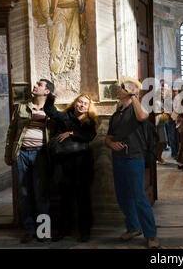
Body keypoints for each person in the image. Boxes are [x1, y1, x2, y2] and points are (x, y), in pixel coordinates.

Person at [105, 76, 160, 249]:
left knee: (138, 197)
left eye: (122, 88)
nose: (118, 90)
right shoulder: (117, 113)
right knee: (122, 197)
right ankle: (133, 227)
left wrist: (135, 95)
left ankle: (151, 235)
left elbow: (143, 116)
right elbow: (108, 137)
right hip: (118, 158)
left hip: (134, 158)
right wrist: (111, 144)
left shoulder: (136, 110)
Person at [4, 79, 55, 243]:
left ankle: (43, 231)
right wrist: (8, 153)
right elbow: (11, 132)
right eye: (36, 84)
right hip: (22, 154)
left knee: (42, 195)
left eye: (39, 85)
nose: (35, 86)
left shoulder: (51, 111)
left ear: (46, 91)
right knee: (24, 194)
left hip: (41, 155)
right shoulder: (21, 107)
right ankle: (29, 230)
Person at [44, 94, 98, 243]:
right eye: (80, 102)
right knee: (65, 199)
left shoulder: (90, 121)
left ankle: (84, 232)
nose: (81, 105)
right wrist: (50, 96)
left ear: (88, 107)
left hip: (83, 165)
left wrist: (71, 133)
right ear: (75, 103)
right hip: (64, 164)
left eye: (85, 104)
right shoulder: (64, 117)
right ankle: (63, 231)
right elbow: (49, 110)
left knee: (83, 200)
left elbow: (90, 136)